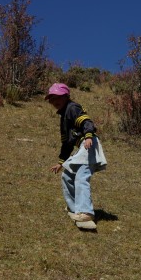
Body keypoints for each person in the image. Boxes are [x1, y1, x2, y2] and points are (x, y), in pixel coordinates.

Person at [45, 83, 107, 229]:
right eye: (52, 99)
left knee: (81, 177)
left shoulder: (72, 108)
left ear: (66, 96)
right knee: (67, 176)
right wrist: (61, 162)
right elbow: (67, 144)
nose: (55, 101)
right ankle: (74, 208)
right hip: (82, 147)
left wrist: (88, 136)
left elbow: (86, 121)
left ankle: (85, 212)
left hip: (88, 145)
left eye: (58, 97)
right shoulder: (64, 117)